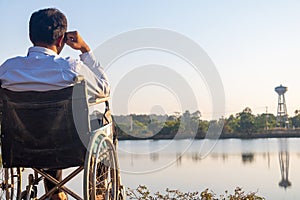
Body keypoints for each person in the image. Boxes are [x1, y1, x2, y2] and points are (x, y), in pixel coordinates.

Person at [0, 8, 109, 200]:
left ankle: (55, 191)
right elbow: (104, 89)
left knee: (41, 125)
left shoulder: (8, 69)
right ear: (61, 40)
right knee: (103, 121)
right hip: (68, 146)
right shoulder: (70, 68)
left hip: (21, 146)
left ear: (30, 36)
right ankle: (98, 191)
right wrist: (85, 50)